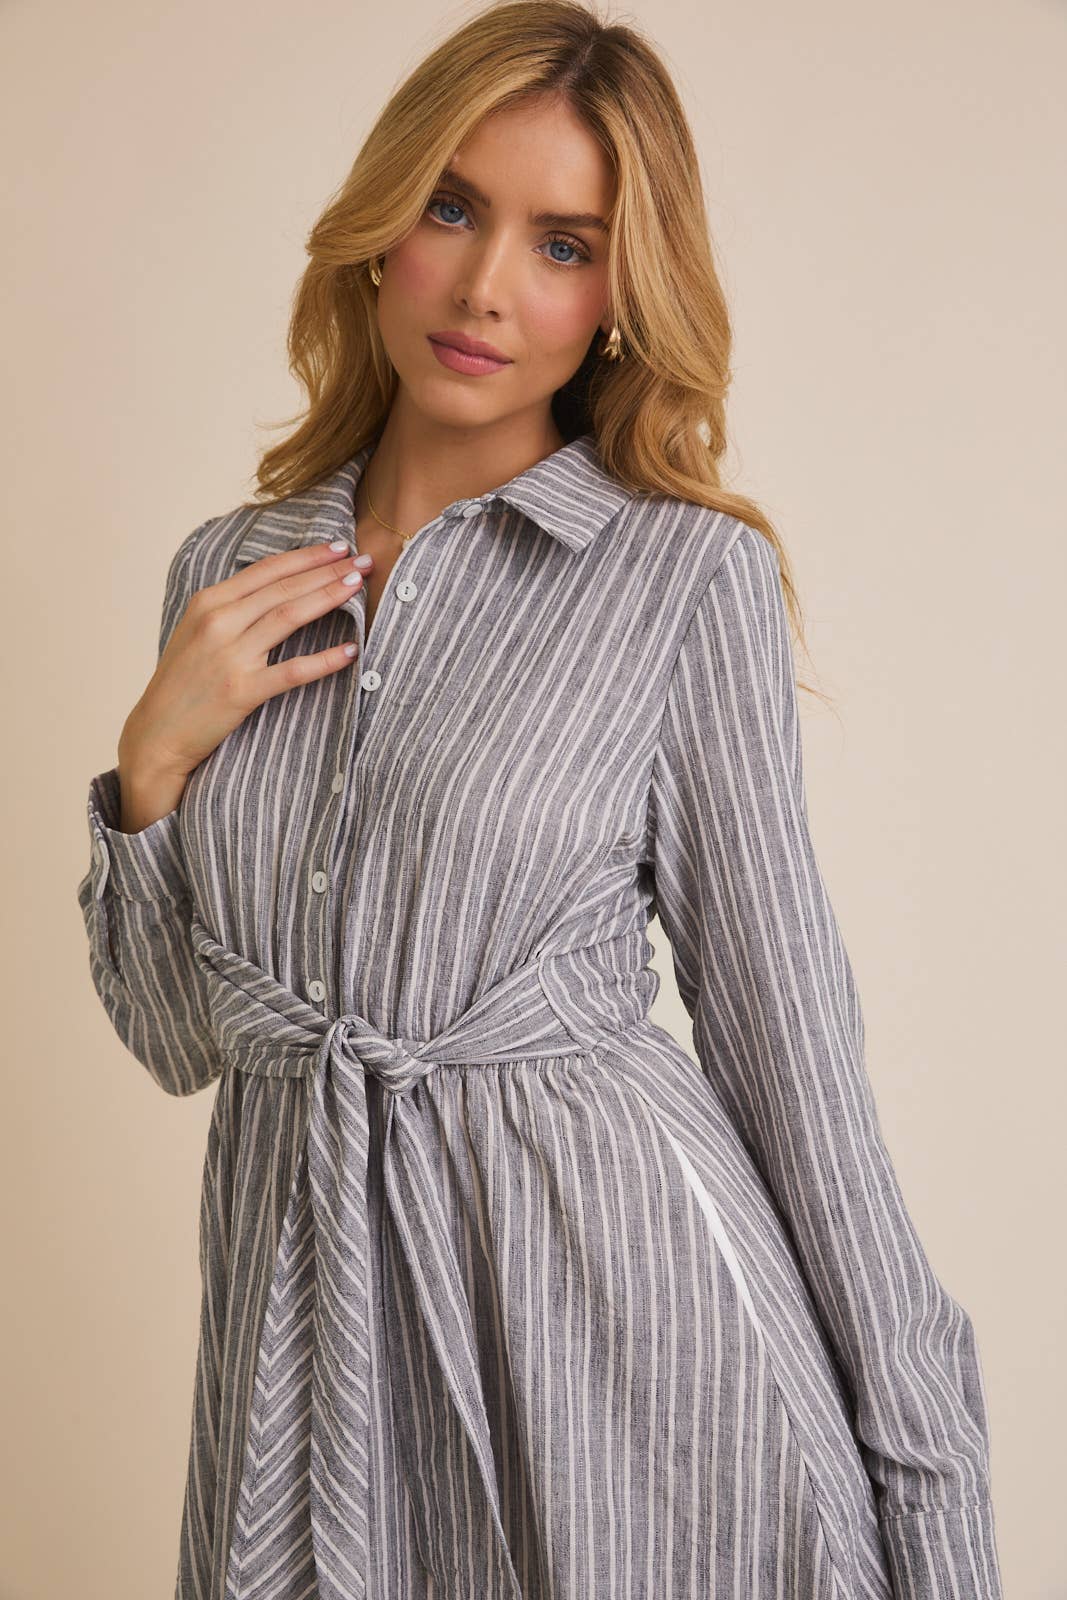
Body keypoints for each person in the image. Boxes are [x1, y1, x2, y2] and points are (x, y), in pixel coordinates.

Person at [76, 3, 1004, 1596]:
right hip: (314, 1355)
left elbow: (791, 1048)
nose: (488, 284)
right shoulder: (227, 577)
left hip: (625, 1356)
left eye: (563, 244)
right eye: (452, 206)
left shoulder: (679, 579)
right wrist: (152, 761)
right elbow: (181, 1041)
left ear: (619, 302)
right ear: (381, 228)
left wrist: (930, 1479)